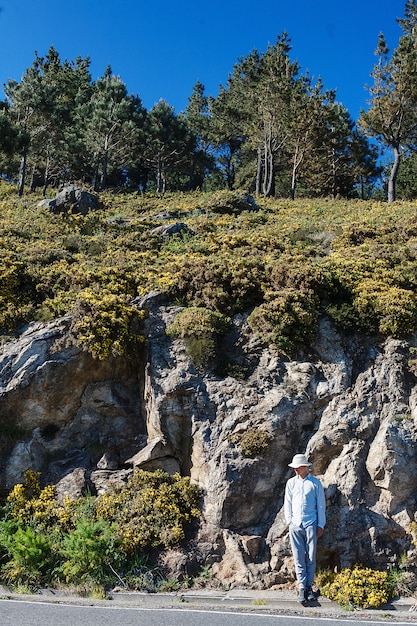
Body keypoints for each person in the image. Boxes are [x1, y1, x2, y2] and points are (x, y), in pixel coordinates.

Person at [284, 453, 326, 604]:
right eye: (294, 467)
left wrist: (321, 525)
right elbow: (287, 503)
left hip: (311, 523)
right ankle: (302, 587)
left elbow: (321, 505)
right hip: (295, 524)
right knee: (298, 556)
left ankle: (309, 587)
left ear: (304, 467)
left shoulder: (315, 484)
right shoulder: (291, 483)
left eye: (298, 467)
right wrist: (289, 521)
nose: (295, 470)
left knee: (311, 556)